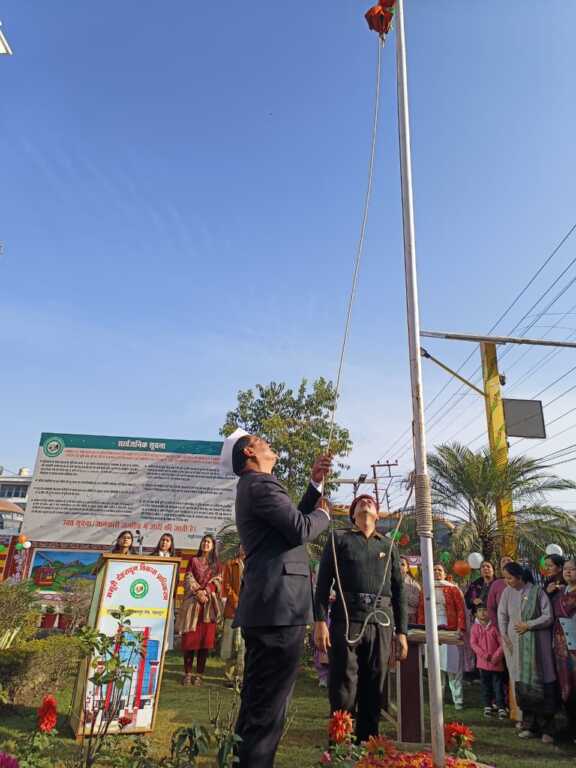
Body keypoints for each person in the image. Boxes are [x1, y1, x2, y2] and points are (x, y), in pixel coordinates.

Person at [219, 428, 331, 768]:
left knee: (259, 706)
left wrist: (314, 486)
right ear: (249, 452)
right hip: (279, 610)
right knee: (267, 713)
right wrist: (324, 515)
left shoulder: (253, 487)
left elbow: (286, 525)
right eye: (261, 440)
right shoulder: (262, 485)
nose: (268, 443)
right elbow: (299, 528)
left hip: (271, 608)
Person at [314, 494, 407, 743]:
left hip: (381, 621)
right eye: (360, 503)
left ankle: (368, 747)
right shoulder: (339, 539)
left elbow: (399, 590)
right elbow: (322, 583)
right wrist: (320, 621)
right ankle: (339, 747)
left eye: (371, 502)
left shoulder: (388, 545)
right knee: (343, 686)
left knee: (374, 686)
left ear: (377, 515)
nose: (366, 503)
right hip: (347, 619)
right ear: (353, 514)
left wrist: (402, 632)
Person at [497, 561, 557, 744]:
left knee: (543, 684)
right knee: (522, 684)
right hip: (515, 645)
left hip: (539, 647)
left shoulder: (538, 592)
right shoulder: (507, 592)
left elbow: (548, 616)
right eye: (505, 578)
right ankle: (529, 726)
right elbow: (502, 615)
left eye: (509, 578)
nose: (507, 581)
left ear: (520, 577)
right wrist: (505, 636)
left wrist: (528, 625)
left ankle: (547, 729)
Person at [417, 563, 466, 709]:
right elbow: (421, 610)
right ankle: (438, 699)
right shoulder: (425, 589)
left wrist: (461, 628)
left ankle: (458, 699)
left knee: (453, 665)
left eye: (440, 570)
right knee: (435, 665)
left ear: (445, 573)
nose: (437, 572)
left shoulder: (453, 588)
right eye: (434, 570)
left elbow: (460, 609)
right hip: (431, 628)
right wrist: (421, 629)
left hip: (450, 627)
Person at [177, 534, 222, 687]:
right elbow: (188, 578)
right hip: (193, 604)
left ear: (213, 546)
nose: (205, 544)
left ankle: (199, 675)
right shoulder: (193, 561)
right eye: (204, 541)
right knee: (190, 640)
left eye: (208, 542)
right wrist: (198, 592)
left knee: (204, 643)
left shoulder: (217, 565)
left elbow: (218, 581)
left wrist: (206, 591)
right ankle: (187, 674)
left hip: (208, 607)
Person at [551, 558, 576, 743]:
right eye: (566, 569)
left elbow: (565, 612)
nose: (568, 572)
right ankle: (570, 727)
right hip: (562, 647)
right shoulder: (560, 592)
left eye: (572, 569)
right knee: (566, 687)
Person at [470, 603, 506, 719]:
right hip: (483, 663)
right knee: (485, 686)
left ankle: (501, 707)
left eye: (485, 610)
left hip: (496, 663)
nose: (483, 613)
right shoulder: (475, 628)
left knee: (498, 686)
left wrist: (496, 657)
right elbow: (473, 644)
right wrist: (485, 655)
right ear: (476, 614)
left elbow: (502, 644)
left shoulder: (494, 627)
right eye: (480, 610)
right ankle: (487, 706)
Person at [221, 545, 246, 688]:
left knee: (244, 645)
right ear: (239, 548)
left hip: (249, 611)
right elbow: (226, 586)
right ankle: (229, 677)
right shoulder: (231, 564)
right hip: (232, 610)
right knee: (229, 644)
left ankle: (241, 677)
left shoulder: (255, 563)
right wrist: (237, 602)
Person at [486, 555, 513, 627]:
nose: (506, 562)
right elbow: (490, 607)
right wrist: (497, 625)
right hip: (503, 626)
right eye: (503, 561)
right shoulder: (496, 584)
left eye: (509, 560)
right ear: (500, 568)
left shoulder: (522, 582)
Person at [399, 555, 421, 625]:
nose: (399, 566)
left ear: (407, 568)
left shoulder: (414, 585)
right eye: (397, 563)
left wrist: (403, 591)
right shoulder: (386, 582)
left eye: (402, 564)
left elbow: (416, 603)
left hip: (409, 617)